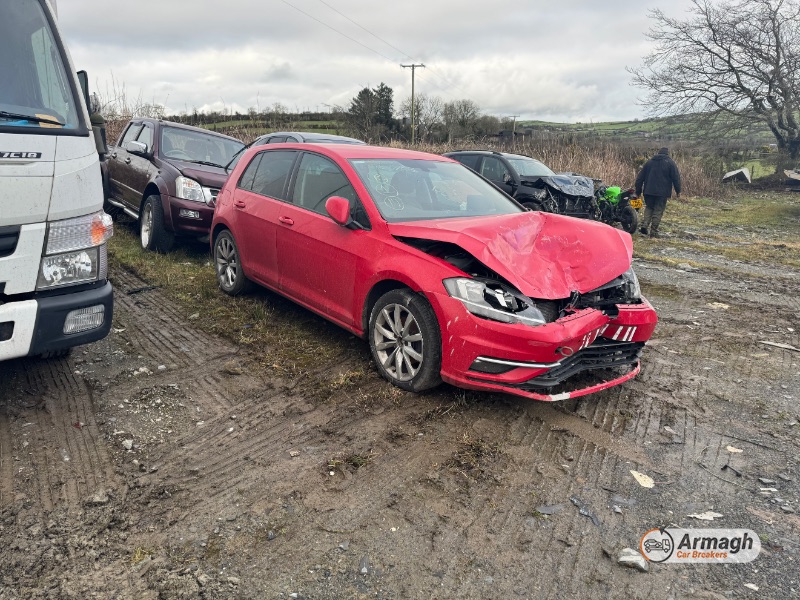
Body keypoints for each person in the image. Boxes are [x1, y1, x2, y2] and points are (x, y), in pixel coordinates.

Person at [635, 147, 681, 238]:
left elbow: (640, 178)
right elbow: (676, 178)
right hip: (662, 193)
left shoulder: (649, 163)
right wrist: (678, 191)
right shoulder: (670, 163)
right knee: (658, 210)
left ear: (658, 153)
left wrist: (638, 191)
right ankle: (654, 231)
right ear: (667, 154)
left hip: (648, 191)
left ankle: (644, 225)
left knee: (649, 208)